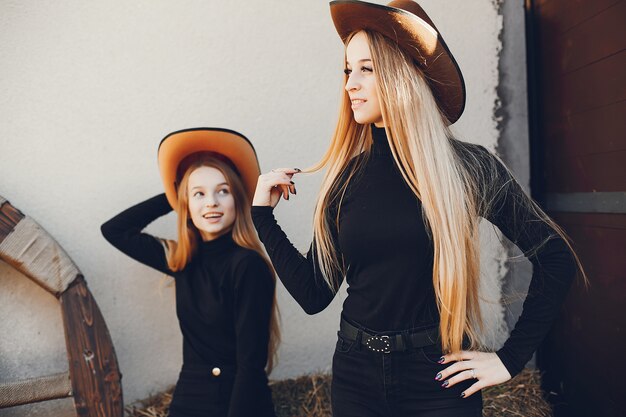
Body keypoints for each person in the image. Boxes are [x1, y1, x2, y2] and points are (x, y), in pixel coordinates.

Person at [251, 1, 584, 416]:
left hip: (439, 379)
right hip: (357, 377)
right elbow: (314, 293)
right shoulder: (345, 178)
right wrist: (262, 218)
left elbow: (555, 256)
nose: (350, 84)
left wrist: (509, 359)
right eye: (347, 70)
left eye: (366, 69)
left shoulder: (468, 167)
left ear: (401, 73)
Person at [101, 128, 279, 417]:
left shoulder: (248, 266)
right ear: (185, 203)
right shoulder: (182, 260)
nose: (211, 202)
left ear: (238, 200)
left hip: (237, 402)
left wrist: (188, 193)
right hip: (188, 400)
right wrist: (174, 194)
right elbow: (115, 231)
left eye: (223, 191)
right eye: (199, 194)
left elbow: (250, 365)